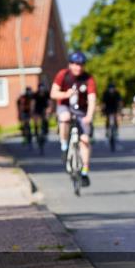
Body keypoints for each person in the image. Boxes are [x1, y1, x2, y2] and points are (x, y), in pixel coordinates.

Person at [50, 52, 97, 186]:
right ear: (70, 65)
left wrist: (89, 115)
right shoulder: (63, 75)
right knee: (64, 118)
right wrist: (66, 94)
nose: (78, 67)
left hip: (82, 110)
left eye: (81, 65)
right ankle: (64, 145)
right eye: (76, 64)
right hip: (65, 106)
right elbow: (53, 93)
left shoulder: (88, 79)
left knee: (85, 140)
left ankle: (84, 171)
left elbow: (92, 99)